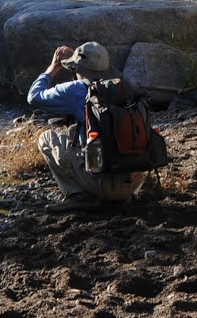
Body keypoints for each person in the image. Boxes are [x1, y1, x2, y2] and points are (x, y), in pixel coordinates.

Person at [27, 41, 138, 205]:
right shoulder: (124, 88)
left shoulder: (75, 89)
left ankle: (75, 194)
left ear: (78, 69)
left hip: (99, 186)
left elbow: (34, 97)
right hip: (132, 183)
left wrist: (53, 67)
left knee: (47, 137)